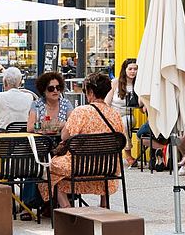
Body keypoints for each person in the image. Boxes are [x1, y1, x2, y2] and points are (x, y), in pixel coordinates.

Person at [39, 72, 125, 209]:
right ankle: (104, 203)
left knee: (50, 168)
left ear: (90, 92)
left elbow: (64, 137)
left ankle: (66, 206)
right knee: (100, 162)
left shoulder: (81, 112)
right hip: (109, 166)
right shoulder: (115, 115)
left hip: (80, 166)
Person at [106, 58, 140, 166]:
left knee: (124, 123)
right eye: (130, 69)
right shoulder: (115, 82)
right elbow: (107, 101)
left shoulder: (138, 85)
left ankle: (128, 154)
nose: (133, 71)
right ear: (124, 70)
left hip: (128, 115)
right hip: (113, 115)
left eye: (135, 69)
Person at [28, 71, 74, 136]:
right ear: (43, 90)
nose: (55, 91)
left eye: (58, 88)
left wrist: (50, 126)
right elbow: (30, 127)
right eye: (51, 88)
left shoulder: (66, 103)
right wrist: (59, 125)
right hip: (42, 142)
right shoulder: (36, 104)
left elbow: (73, 123)